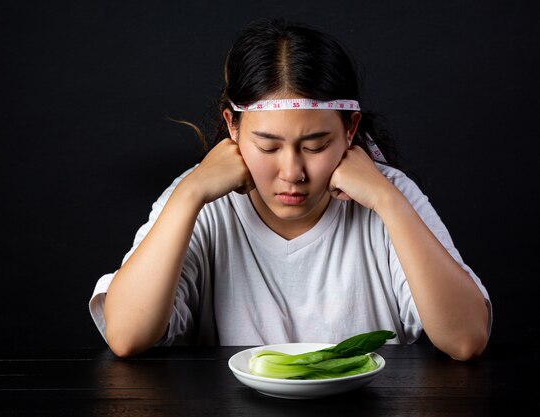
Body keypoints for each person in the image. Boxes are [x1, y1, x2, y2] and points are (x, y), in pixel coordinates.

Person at [88, 18, 491, 361]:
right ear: (233, 127)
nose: (292, 172)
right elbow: (126, 336)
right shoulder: (199, 200)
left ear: (350, 130)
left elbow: (466, 339)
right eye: (268, 146)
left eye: (315, 146)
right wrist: (188, 197)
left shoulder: (391, 194)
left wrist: (387, 200)